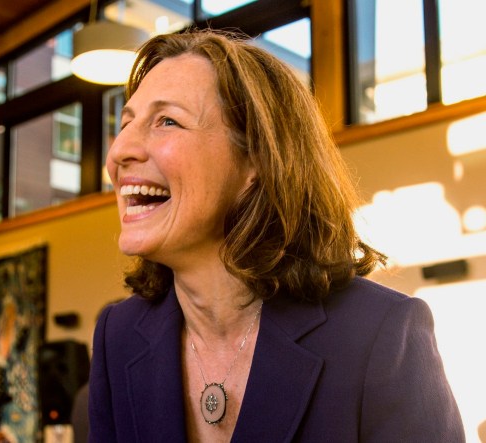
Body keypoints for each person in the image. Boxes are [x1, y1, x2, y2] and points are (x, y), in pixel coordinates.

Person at [89, 28, 465, 442]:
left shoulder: (380, 334)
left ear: (257, 162)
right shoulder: (118, 335)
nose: (120, 151)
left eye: (167, 121)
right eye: (126, 123)